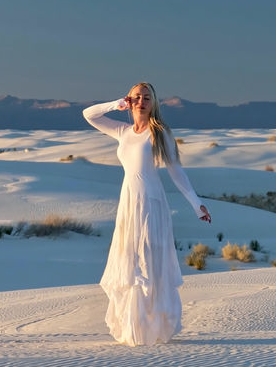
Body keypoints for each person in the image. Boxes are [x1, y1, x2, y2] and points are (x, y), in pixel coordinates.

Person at [83, 82, 211, 346]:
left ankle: (152, 330)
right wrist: (115, 104)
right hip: (129, 204)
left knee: (149, 264)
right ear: (130, 100)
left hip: (151, 205)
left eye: (146, 97)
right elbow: (89, 114)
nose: (141, 101)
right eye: (136, 97)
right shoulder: (122, 131)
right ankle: (133, 330)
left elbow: (176, 170)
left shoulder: (160, 133)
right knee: (130, 263)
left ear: (154, 103)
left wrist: (196, 204)